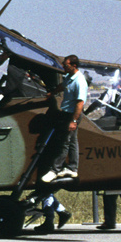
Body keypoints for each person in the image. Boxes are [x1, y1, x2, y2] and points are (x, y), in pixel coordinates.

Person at [40, 55, 88, 184]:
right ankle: (73, 168)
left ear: (74, 66)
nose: (63, 67)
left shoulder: (79, 81)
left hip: (72, 115)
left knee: (64, 142)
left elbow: (80, 103)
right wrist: (53, 92)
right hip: (67, 113)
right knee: (72, 142)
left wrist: (73, 121)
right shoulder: (70, 78)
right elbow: (63, 85)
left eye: (65, 65)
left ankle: (55, 170)